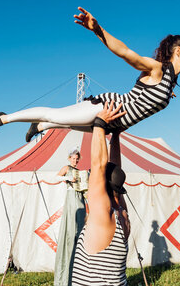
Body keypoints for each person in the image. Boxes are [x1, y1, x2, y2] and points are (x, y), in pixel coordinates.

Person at [0, 7, 180, 141]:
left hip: (113, 124)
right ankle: (2, 118)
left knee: (66, 124)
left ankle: (39, 126)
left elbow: (150, 97)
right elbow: (125, 52)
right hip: (108, 108)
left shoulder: (169, 82)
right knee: (55, 114)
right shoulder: (157, 69)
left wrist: (167, 93)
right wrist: (97, 30)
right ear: (178, 51)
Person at [71, 102, 130, 285]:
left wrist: (99, 124)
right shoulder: (122, 213)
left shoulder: (102, 215)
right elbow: (114, 168)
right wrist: (116, 136)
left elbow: (99, 164)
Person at [53, 148, 88, 286]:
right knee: (71, 229)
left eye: (77, 158)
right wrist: (68, 178)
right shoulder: (67, 168)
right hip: (72, 197)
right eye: (73, 158)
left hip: (80, 198)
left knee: (80, 229)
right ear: (69, 158)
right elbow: (55, 177)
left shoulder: (80, 171)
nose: (75, 160)